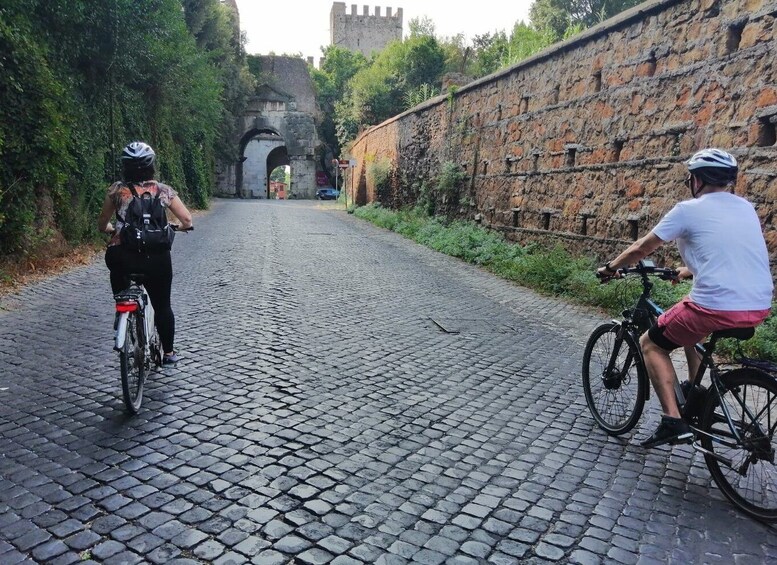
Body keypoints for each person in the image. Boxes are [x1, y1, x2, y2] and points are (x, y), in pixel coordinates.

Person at [597, 148, 773, 448]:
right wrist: (687, 271)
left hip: (717, 306)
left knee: (650, 343)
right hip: (757, 305)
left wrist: (612, 267)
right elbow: (726, 254)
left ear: (698, 180)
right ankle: (696, 390)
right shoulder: (745, 208)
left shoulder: (688, 210)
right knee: (688, 325)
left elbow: (642, 247)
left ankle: (672, 421)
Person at [97, 141, 193, 366]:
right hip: (156, 259)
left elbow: (102, 223)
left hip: (122, 256)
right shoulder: (164, 190)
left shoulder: (116, 191)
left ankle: (123, 313)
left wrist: (111, 230)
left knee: (119, 278)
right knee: (162, 306)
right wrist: (177, 228)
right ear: (151, 166)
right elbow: (187, 220)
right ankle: (168, 353)